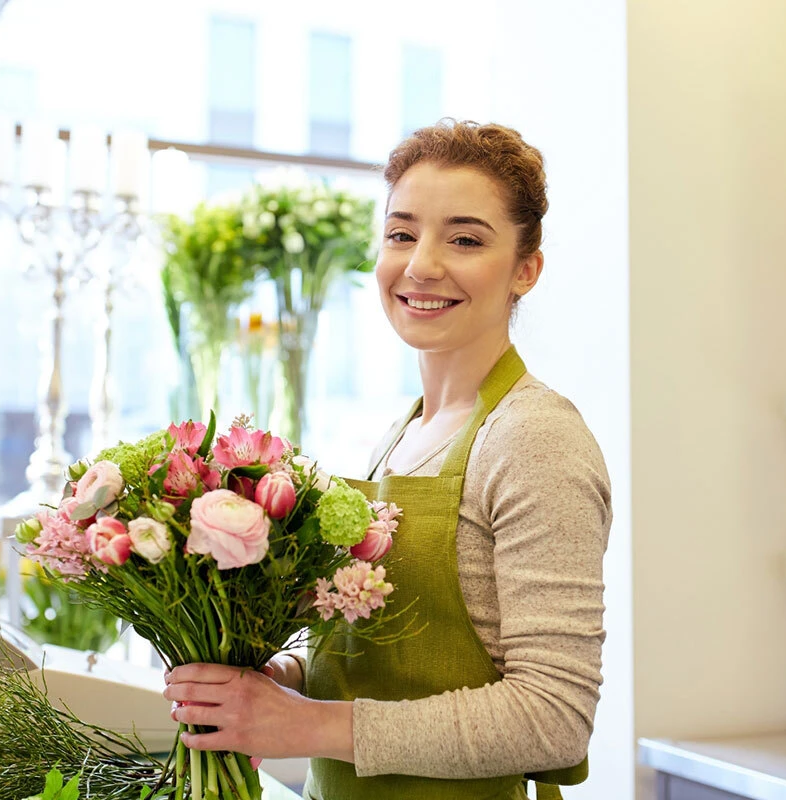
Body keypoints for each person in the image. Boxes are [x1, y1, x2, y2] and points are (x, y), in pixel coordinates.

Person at [163, 119, 612, 800]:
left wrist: (311, 726)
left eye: (465, 239)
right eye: (401, 233)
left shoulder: (534, 439)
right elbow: (382, 664)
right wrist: (280, 680)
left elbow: (555, 721)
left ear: (527, 269)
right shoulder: (403, 432)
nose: (420, 264)